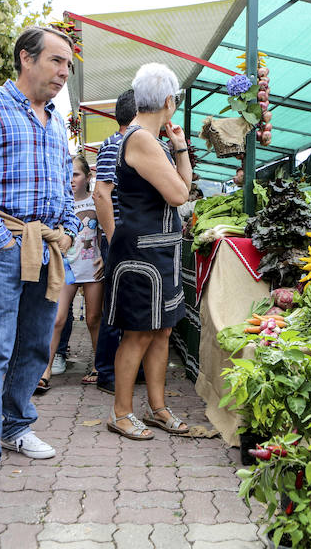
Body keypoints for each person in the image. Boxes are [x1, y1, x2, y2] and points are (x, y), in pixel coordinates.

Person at [0, 26, 79, 498]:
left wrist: (67, 231)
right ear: (26, 59)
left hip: (47, 248)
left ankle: (16, 424)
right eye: (57, 61)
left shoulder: (57, 121)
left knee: (33, 346)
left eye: (68, 64)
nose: (64, 72)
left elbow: (65, 184)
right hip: (6, 244)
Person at [105, 63, 192, 441]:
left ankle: (157, 408)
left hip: (160, 251)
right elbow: (179, 195)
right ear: (169, 102)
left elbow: (181, 190)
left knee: (162, 332)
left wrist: (181, 147)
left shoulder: (154, 141)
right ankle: (121, 413)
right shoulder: (139, 138)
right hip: (142, 255)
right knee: (138, 334)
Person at [37, 154, 104, 393]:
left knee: (94, 318)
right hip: (65, 267)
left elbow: (103, 232)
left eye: (76, 174)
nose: (71, 180)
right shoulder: (59, 202)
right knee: (57, 318)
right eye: (67, 175)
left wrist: (104, 256)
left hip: (92, 268)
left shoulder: (97, 201)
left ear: (88, 176)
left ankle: (99, 366)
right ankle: (44, 371)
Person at [93, 89, 137, 395]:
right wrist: (114, 238)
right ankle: (106, 372)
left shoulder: (129, 143)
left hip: (128, 236)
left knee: (130, 305)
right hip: (120, 237)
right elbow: (101, 193)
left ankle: (124, 369)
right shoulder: (115, 145)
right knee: (115, 306)